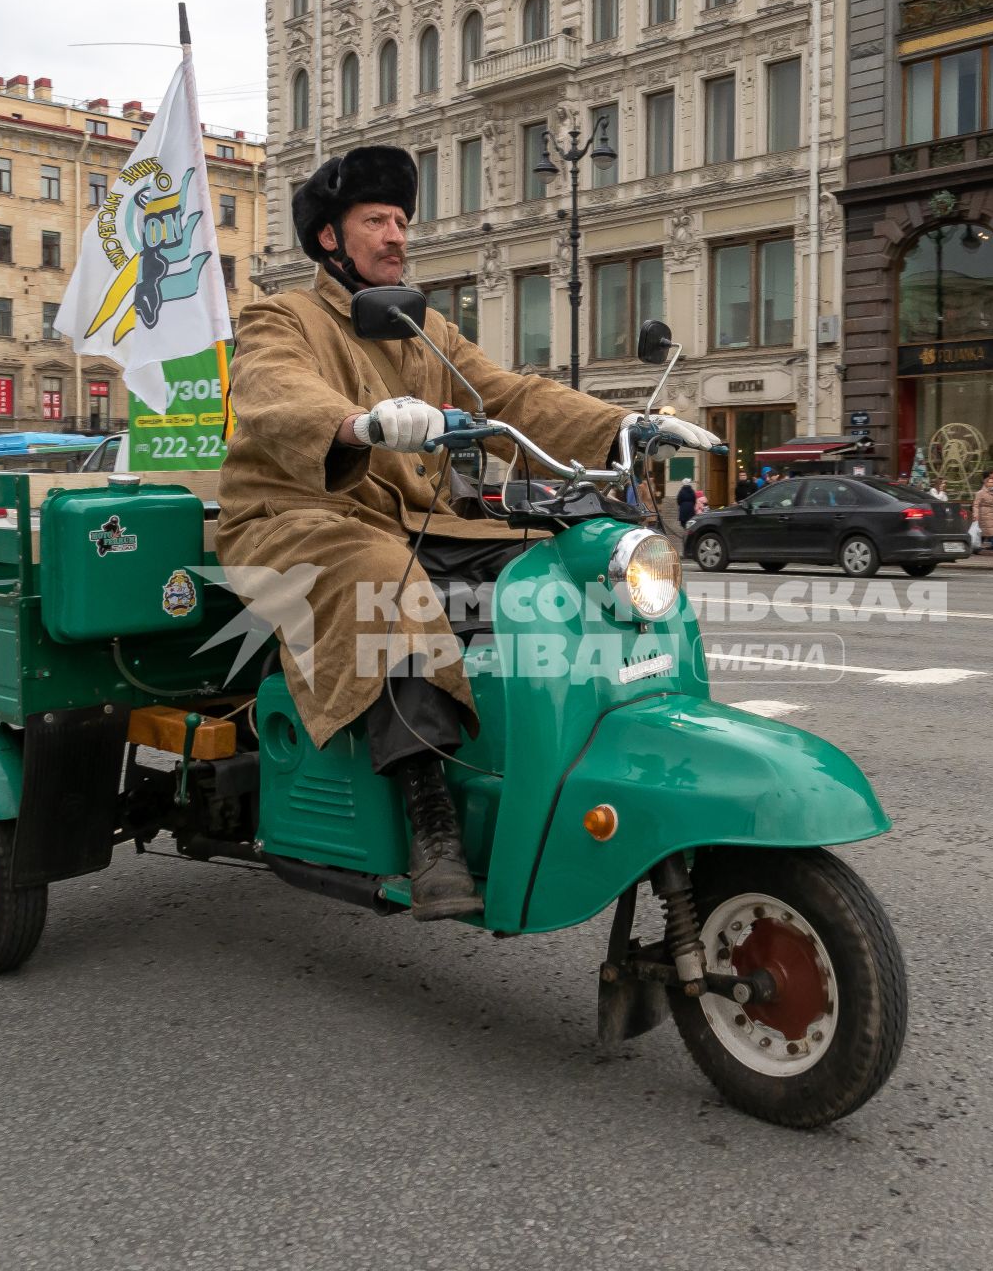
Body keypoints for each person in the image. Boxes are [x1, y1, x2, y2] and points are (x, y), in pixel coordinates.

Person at [216, 145, 719, 922]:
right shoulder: (282, 317)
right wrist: (358, 423)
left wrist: (630, 425)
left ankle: (531, 765)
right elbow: (274, 392)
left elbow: (510, 396)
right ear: (328, 239)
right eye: (376, 220)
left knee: (559, 563)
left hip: (411, 520)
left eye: (402, 221)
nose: (396, 235)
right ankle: (431, 820)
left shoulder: (422, 331)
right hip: (297, 521)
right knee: (383, 576)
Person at [971, 470, 993, 555]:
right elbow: (975, 505)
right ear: (986, 483)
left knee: (984, 533)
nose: (992, 484)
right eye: (990, 482)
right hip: (984, 515)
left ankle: (976, 549)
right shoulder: (980, 493)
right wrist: (975, 514)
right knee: (991, 532)